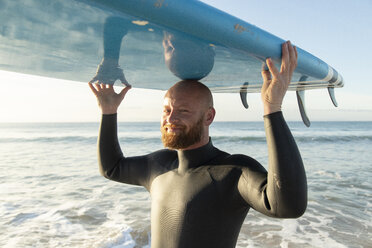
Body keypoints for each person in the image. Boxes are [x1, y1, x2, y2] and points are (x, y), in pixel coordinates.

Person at [88, 41, 307, 248]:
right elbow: (112, 168)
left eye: (183, 111)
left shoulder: (232, 172)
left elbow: (287, 205)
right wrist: (108, 111)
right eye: (166, 110)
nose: (170, 119)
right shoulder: (158, 165)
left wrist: (272, 108)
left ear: (208, 117)